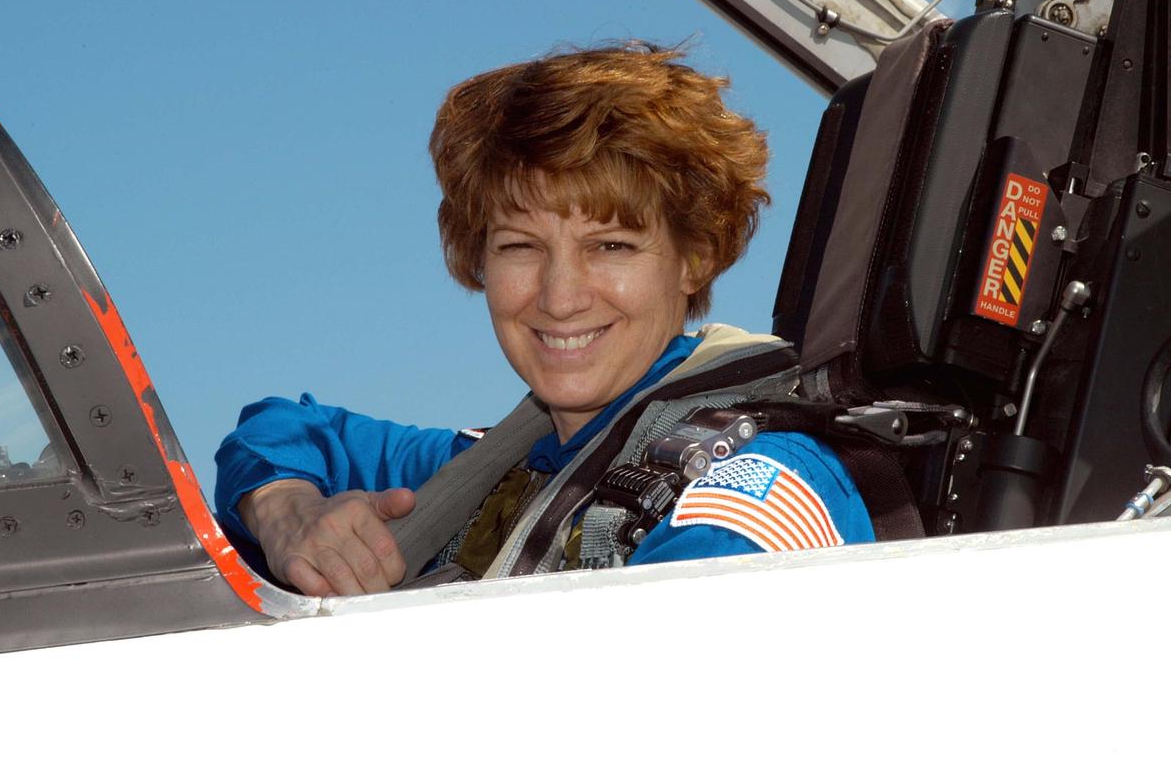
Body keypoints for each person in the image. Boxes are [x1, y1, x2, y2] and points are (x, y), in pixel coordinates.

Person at [214, 43, 874, 597]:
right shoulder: (504, 466)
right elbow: (283, 429)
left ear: (693, 259)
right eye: (519, 247)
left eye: (610, 246)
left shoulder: (754, 491)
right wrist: (288, 513)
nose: (560, 297)